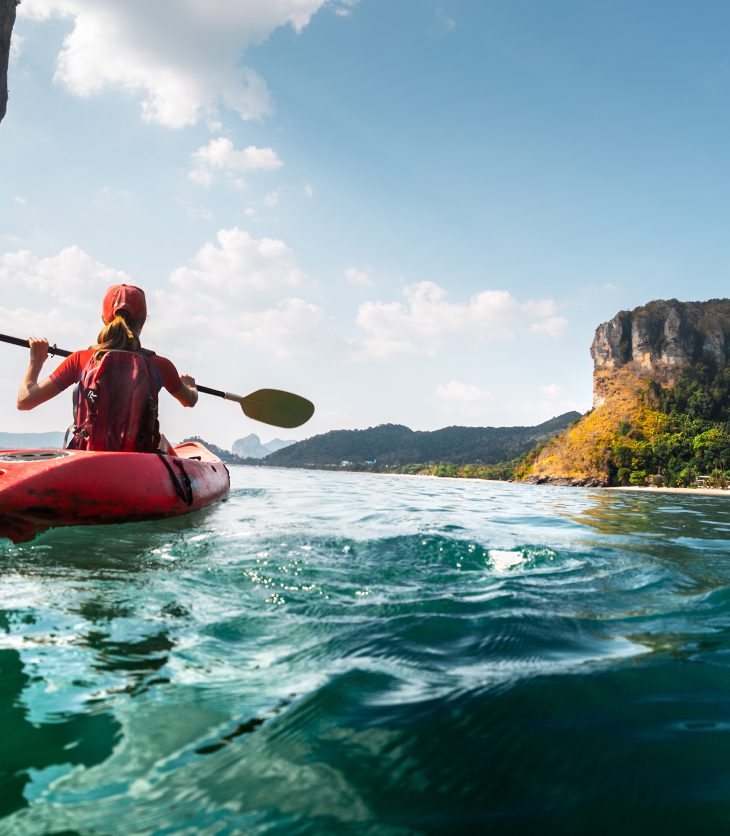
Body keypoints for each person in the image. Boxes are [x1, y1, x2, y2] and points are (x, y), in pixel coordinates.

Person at [16, 284, 198, 453]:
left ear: (104, 318)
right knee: (163, 442)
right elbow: (189, 400)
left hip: (87, 457)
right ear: (143, 321)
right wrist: (190, 386)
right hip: (139, 460)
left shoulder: (81, 359)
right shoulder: (160, 365)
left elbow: (25, 401)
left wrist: (36, 360)